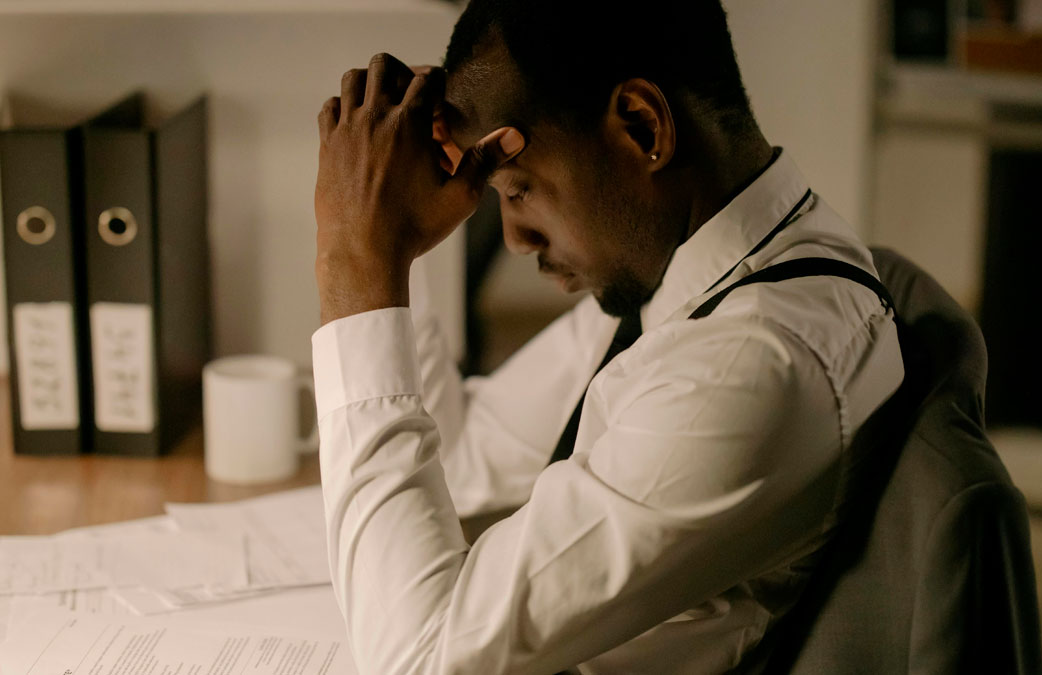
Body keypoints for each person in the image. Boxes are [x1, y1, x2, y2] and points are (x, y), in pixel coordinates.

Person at [311, 1, 904, 672]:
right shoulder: (700, 276)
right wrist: (393, 243)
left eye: (520, 187)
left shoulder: (748, 363)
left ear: (641, 127)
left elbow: (416, 659)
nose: (514, 237)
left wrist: (355, 264)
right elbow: (467, 459)